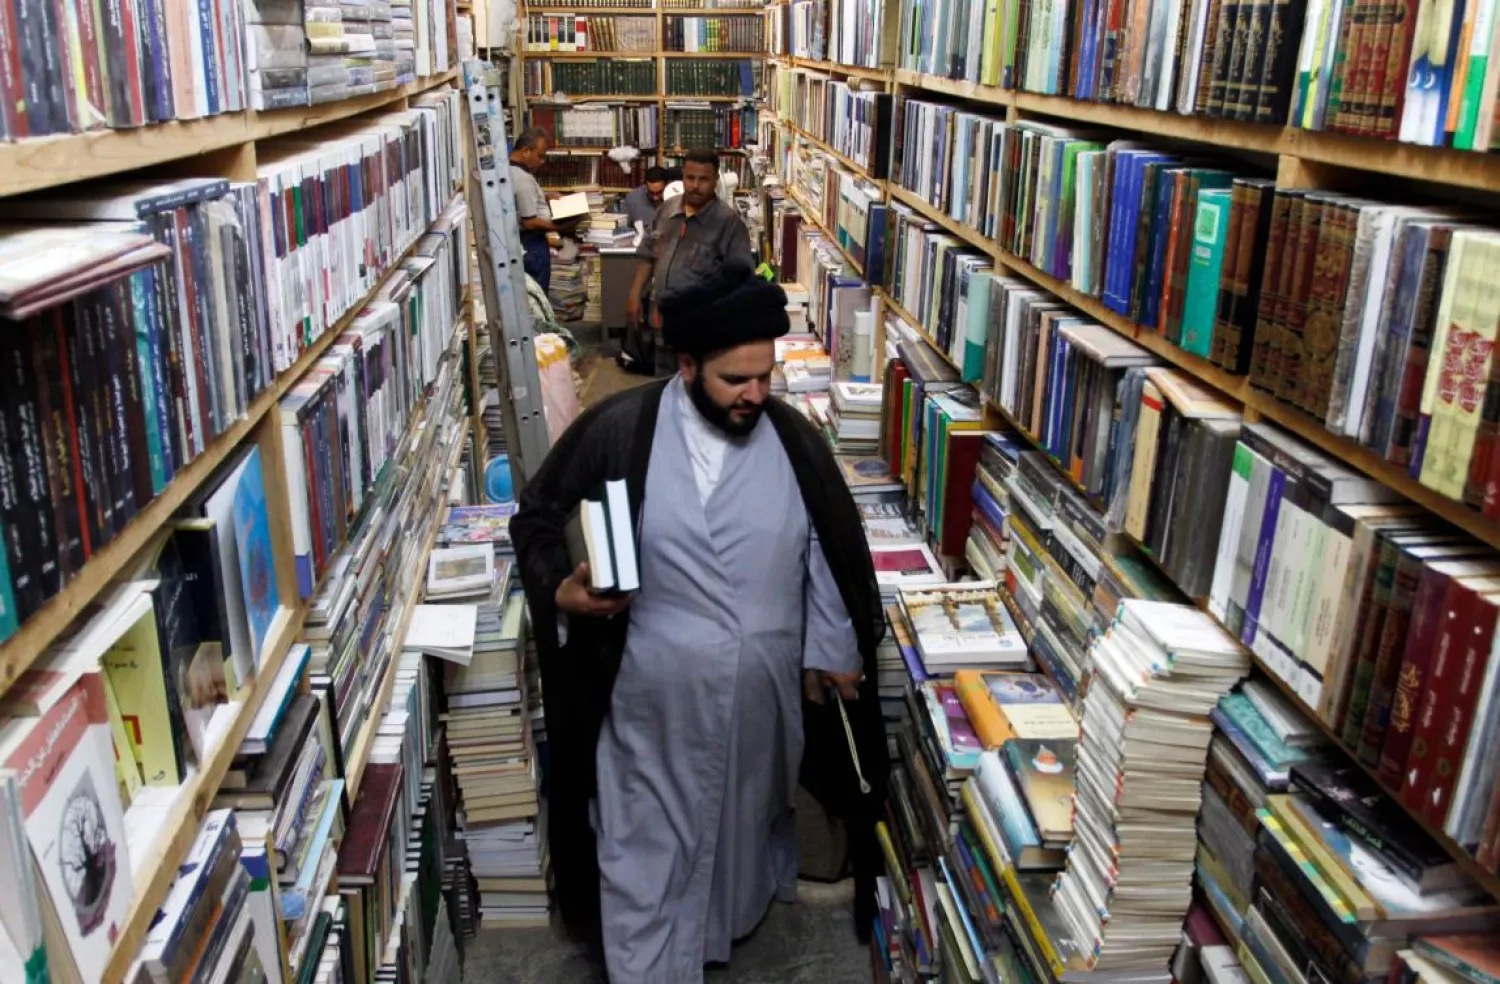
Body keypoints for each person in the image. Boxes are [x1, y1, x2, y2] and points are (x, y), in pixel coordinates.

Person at [510, 274, 890, 984]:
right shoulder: (621, 429)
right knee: (644, 847)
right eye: (733, 380)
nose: (754, 394)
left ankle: (715, 932)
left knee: (736, 834)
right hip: (650, 704)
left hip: (762, 707)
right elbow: (535, 515)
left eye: (763, 377)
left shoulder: (795, 440)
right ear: (686, 367)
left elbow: (826, 550)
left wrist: (831, 648)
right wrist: (560, 589)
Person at [617, 149, 754, 377]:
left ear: (715, 181)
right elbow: (648, 252)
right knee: (664, 390)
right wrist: (634, 293)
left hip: (700, 335)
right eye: (690, 178)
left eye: (703, 179)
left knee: (697, 399)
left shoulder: (729, 224)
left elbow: (740, 284)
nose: (695, 186)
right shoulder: (668, 209)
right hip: (662, 325)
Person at [510, 126, 579, 293]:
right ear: (526, 151)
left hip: (522, 243)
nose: (542, 162)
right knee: (538, 297)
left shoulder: (510, 170)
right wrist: (561, 227)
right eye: (539, 156)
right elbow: (529, 222)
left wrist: (544, 196)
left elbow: (520, 199)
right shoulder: (522, 179)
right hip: (531, 244)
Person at [621, 166, 669, 232]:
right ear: (645, 186)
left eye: (659, 192)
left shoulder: (676, 198)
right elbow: (622, 229)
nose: (655, 197)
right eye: (651, 192)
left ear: (667, 186)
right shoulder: (632, 199)